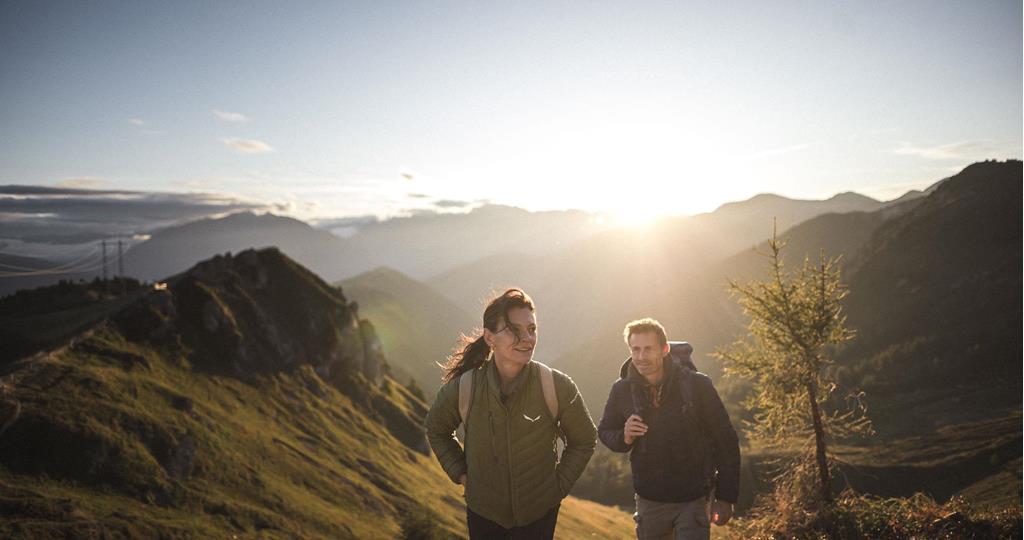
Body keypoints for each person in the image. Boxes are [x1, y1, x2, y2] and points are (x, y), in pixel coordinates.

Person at [425, 288, 597, 540]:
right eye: (514, 330)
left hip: (538, 516)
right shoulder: (465, 387)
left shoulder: (555, 385)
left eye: (531, 329)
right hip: (483, 513)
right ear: (489, 337)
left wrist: (556, 487)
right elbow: (436, 429)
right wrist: (462, 474)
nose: (527, 338)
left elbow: (584, 439)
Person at [598, 318, 740, 540]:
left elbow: (726, 440)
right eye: (635, 349)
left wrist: (726, 497)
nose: (641, 356)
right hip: (649, 501)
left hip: (693, 500)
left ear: (665, 350)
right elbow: (605, 431)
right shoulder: (622, 389)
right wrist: (624, 436)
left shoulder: (697, 386)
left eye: (648, 349)